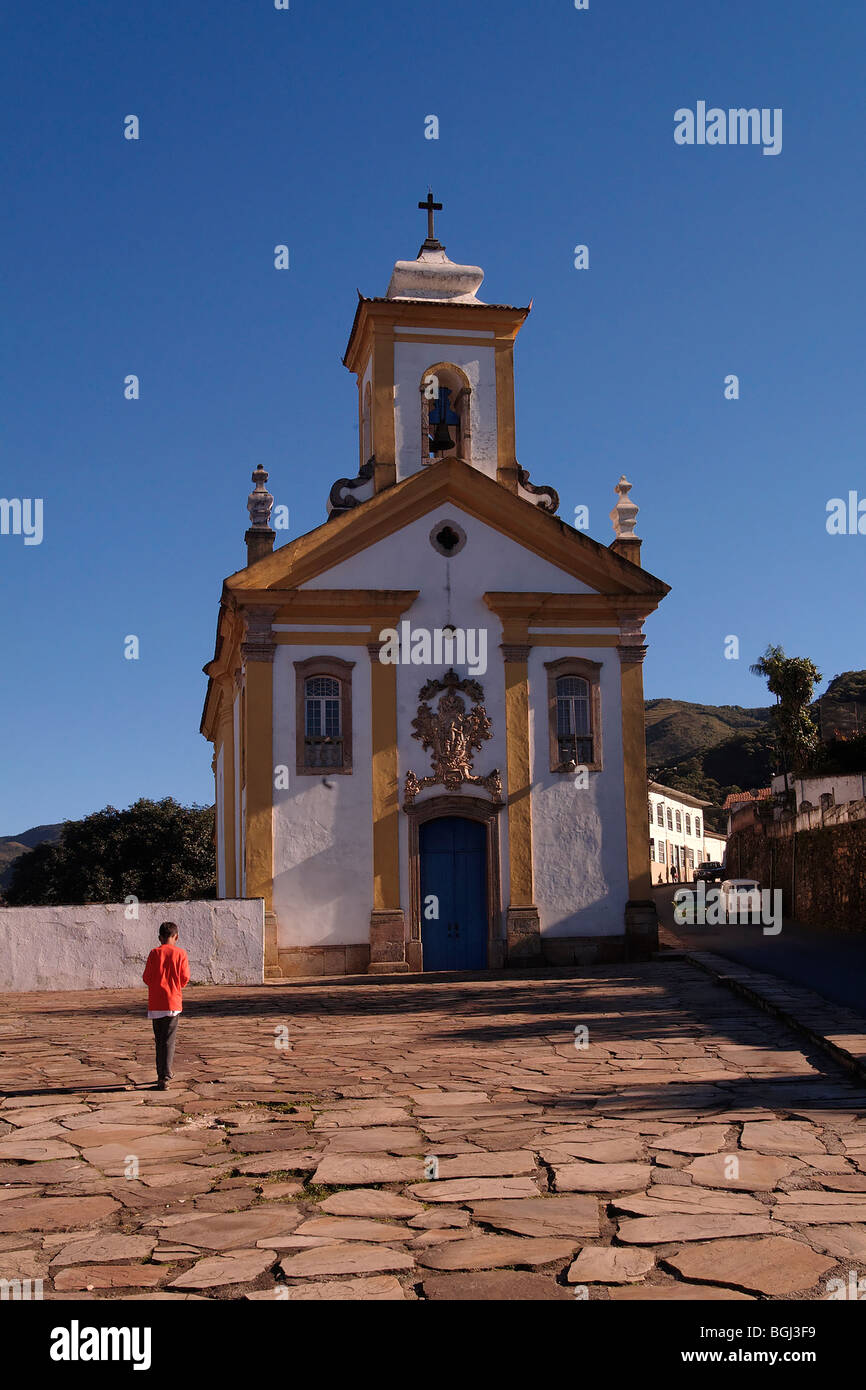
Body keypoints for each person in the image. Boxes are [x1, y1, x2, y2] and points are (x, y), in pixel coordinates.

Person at [143, 922, 190, 1090]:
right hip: (173, 1002)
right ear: (176, 937)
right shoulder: (180, 953)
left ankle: (160, 1074)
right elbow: (184, 978)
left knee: (159, 1040)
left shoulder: (154, 953)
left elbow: (147, 978)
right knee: (169, 1040)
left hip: (156, 1003)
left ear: (159, 938)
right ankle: (165, 1075)